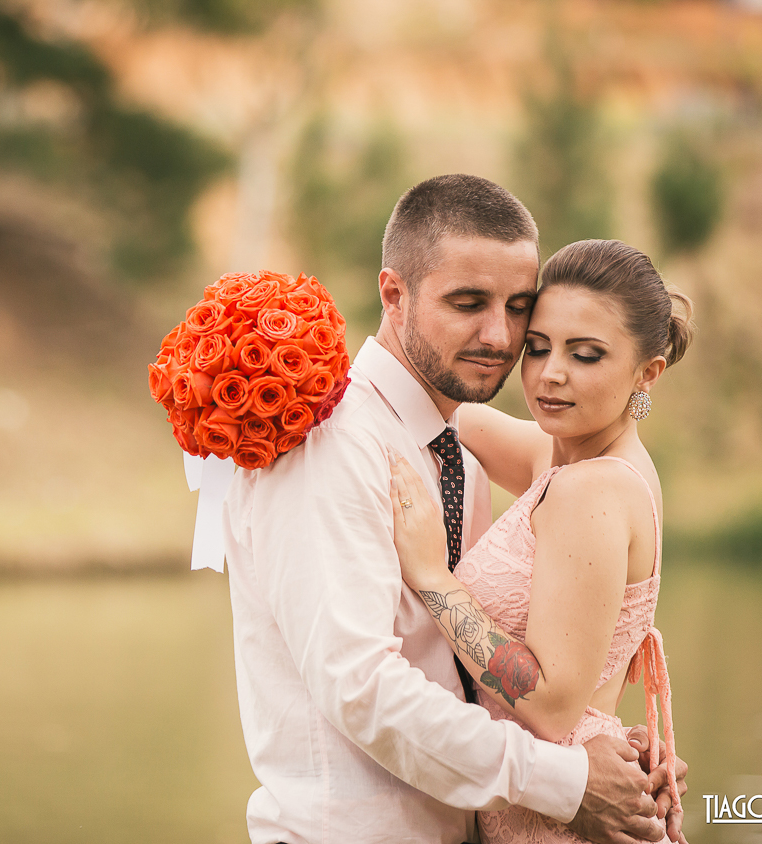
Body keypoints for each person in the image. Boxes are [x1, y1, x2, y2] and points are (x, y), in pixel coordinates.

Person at [223, 174, 686, 844]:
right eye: (468, 302)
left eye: (517, 307)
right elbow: (363, 689)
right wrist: (567, 780)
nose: (498, 335)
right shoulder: (336, 446)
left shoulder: (453, 450)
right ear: (393, 295)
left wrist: (604, 745)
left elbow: (466, 671)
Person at [387, 238, 693, 843]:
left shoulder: (594, 491)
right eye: (538, 348)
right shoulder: (563, 455)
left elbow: (551, 704)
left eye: (586, 355)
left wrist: (432, 578)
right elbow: (442, 411)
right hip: (540, 793)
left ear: (646, 373)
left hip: (564, 811)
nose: (551, 374)